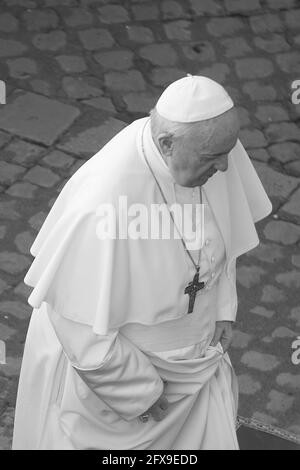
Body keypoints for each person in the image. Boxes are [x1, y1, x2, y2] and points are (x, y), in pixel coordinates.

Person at [12, 75, 272, 450]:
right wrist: (139, 392)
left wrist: (221, 308)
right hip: (127, 382)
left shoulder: (207, 149)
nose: (226, 168)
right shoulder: (104, 200)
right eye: (213, 159)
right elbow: (78, 326)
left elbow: (220, 236)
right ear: (166, 144)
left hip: (198, 358)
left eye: (228, 153)